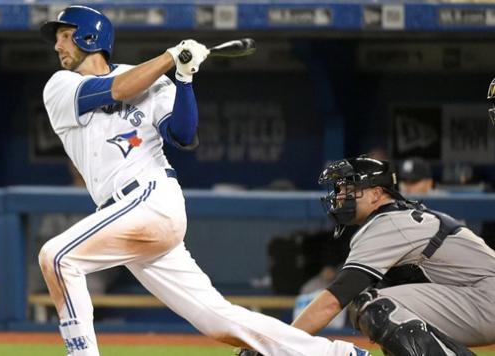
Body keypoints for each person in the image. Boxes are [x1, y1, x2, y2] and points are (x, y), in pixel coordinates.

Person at [37, 5, 370, 356]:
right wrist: (169, 58)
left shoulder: (149, 79)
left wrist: (184, 78)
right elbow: (117, 90)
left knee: (58, 257)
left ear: (90, 35)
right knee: (219, 321)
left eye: (64, 36)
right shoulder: (60, 85)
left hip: (152, 200)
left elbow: (183, 134)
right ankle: (339, 354)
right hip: (124, 216)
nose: (58, 46)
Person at [289, 156, 495, 355]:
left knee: (375, 306)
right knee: (388, 305)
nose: (340, 196)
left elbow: (332, 301)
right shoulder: (398, 217)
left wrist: (279, 344)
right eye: (339, 189)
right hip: (478, 297)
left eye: (349, 189)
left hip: (484, 298)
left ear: (376, 194)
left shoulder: (388, 224)